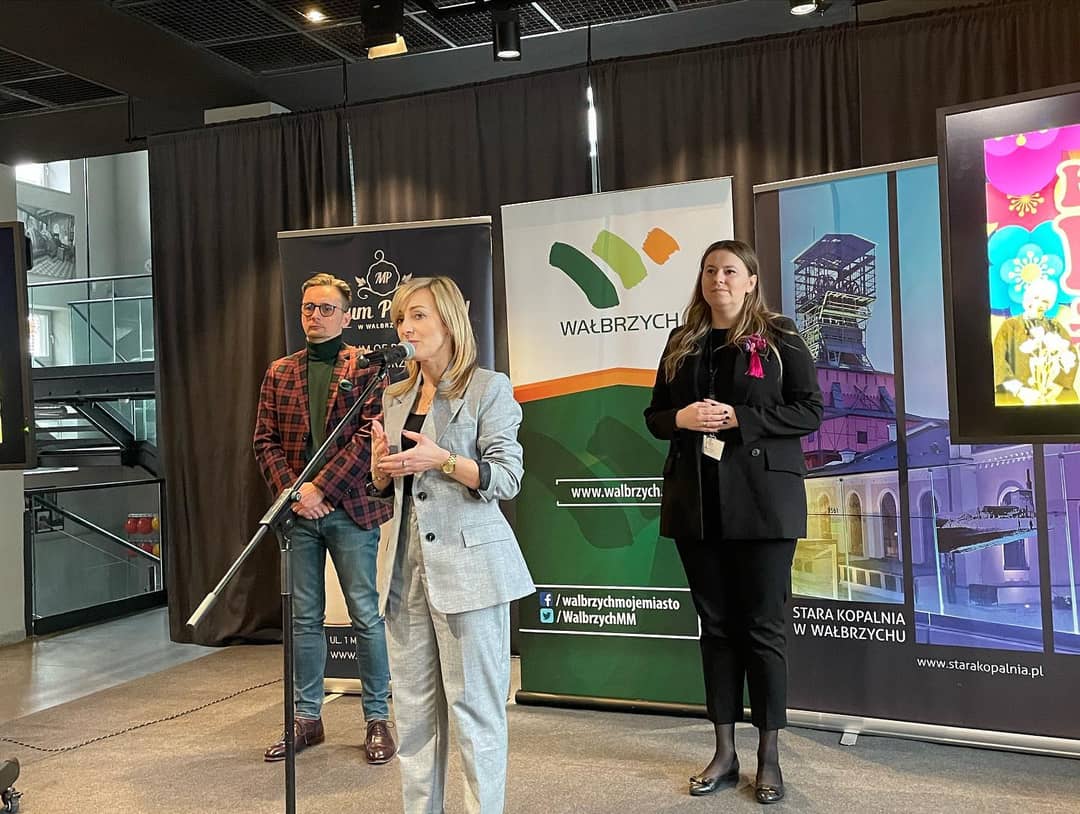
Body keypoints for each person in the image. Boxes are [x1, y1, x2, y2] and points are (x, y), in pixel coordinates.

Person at [644, 240, 823, 805]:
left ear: (750, 281)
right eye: (709, 270)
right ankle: (724, 752)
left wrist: (738, 417)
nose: (717, 279)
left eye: (729, 271)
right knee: (716, 629)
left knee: (763, 629)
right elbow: (655, 416)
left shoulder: (780, 336)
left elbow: (809, 410)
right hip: (697, 504)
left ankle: (769, 756)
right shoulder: (682, 341)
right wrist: (681, 416)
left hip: (763, 504)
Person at [366, 276, 534, 814]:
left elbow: (506, 478)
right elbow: (395, 486)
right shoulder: (395, 396)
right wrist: (380, 470)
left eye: (417, 315)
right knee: (414, 716)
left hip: (470, 568)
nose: (406, 328)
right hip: (404, 567)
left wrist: (441, 459)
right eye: (400, 318)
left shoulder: (488, 388)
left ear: (449, 321)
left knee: (475, 711)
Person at [253, 272, 397, 765]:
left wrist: (322, 489)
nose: (315, 316)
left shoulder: (367, 368)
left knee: (365, 614)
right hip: (298, 514)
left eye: (326, 308)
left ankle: (377, 718)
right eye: (309, 308)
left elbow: (369, 437)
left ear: (347, 315)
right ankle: (306, 718)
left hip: (351, 509)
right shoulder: (279, 371)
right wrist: (297, 494)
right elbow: (264, 441)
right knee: (303, 619)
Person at [992, 277, 1078, 405]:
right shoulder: (1010, 326)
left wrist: (1058, 386)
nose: (1039, 304)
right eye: (1036, 298)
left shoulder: (1055, 326)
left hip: (1052, 396)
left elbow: (1071, 356)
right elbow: (998, 361)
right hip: (1016, 396)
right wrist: (1020, 390)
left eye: (1045, 301)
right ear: (1028, 299)